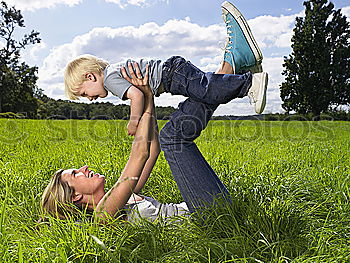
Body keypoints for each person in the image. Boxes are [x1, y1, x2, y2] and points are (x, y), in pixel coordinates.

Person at [41, 1, 268, 222]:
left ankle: (231, 66)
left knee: (172, 136)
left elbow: (152, 149)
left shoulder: (125, 193)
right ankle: (239, 74)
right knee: (174, 137)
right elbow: (139, 153)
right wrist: (137, 113)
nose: (84, 168)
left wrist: (147, 96)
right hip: (210, 219)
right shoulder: (103, 214)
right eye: (75, 174)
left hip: (210, 210)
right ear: (75, 196)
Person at [63, 1, 267, 136]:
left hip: (170, 75)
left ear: (90, 76)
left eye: (84, 93)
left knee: (207, 89)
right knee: (207, 92)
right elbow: (142, 93)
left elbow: (137, 96)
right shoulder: (113, 73)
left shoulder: (109, 79)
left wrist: (133, 122)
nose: (89, 99)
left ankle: (249, 83)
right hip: (172, 72)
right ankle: (239, 64)